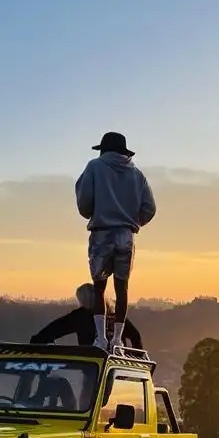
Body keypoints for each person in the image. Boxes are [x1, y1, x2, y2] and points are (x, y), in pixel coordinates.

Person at [75, 131, 156, 351]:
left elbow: (84, 204)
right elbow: (150, 208)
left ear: (103, 150)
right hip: (126, 235)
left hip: (102, 233)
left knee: (99, 288)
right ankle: (118, 339)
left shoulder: (94, 167)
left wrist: (97, 212)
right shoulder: (137, 175)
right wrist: (133, 222)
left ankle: (101, 339)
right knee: (122, 289)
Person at [30, 283, 143, 348]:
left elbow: (57, 328)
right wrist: (134, 359)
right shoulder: (117, 316)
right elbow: (135, 336)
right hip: (118, 365)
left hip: (92, 366)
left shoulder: (81, 316)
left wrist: (37, 340)